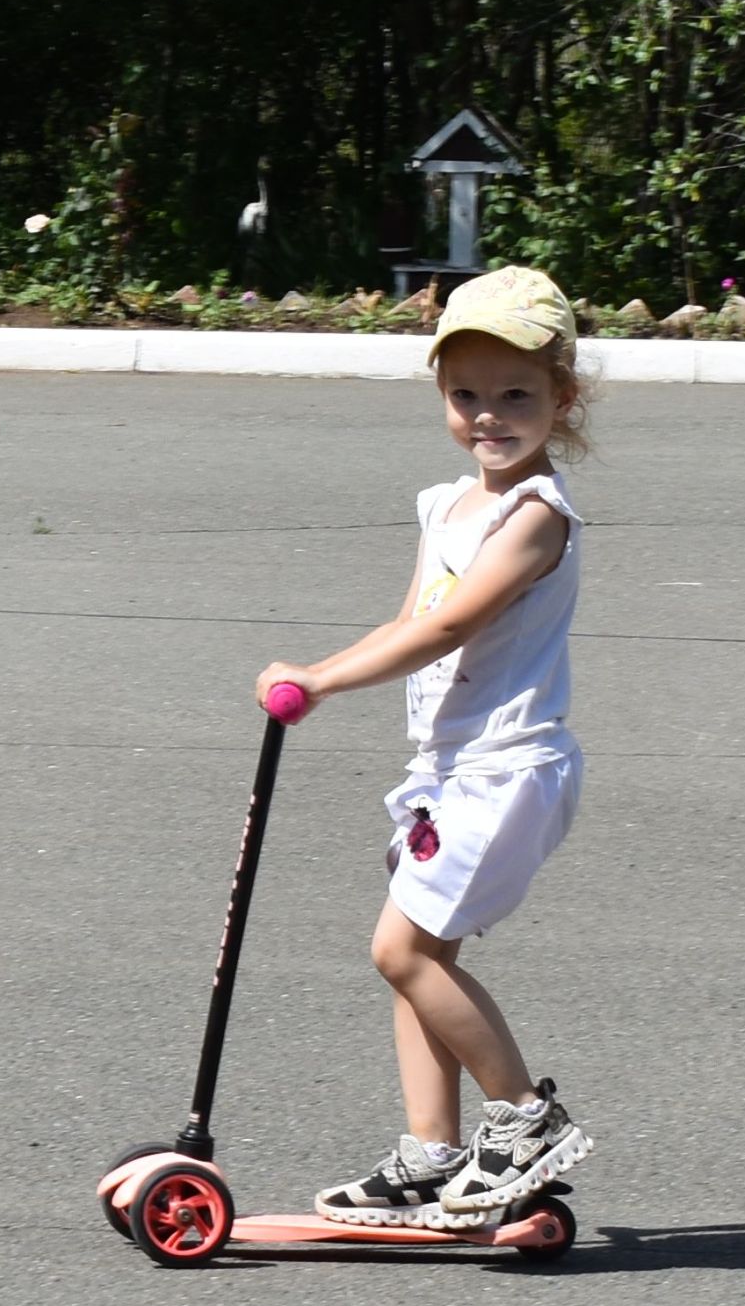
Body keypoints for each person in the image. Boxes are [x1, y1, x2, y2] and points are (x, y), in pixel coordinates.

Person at [255, 264, 595, 1230]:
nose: (490, 416)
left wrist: (320, 680)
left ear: (561, 396)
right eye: (467, 395)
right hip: (449, 773)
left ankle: (524, 1117)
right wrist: (318, 675)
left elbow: (449, 630)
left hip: (510, 767)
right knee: (422, 950)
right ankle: (431, 1154)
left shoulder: (535, 519)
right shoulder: (445, 505)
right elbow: (410, 617)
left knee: (400, 950)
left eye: (517, 395)